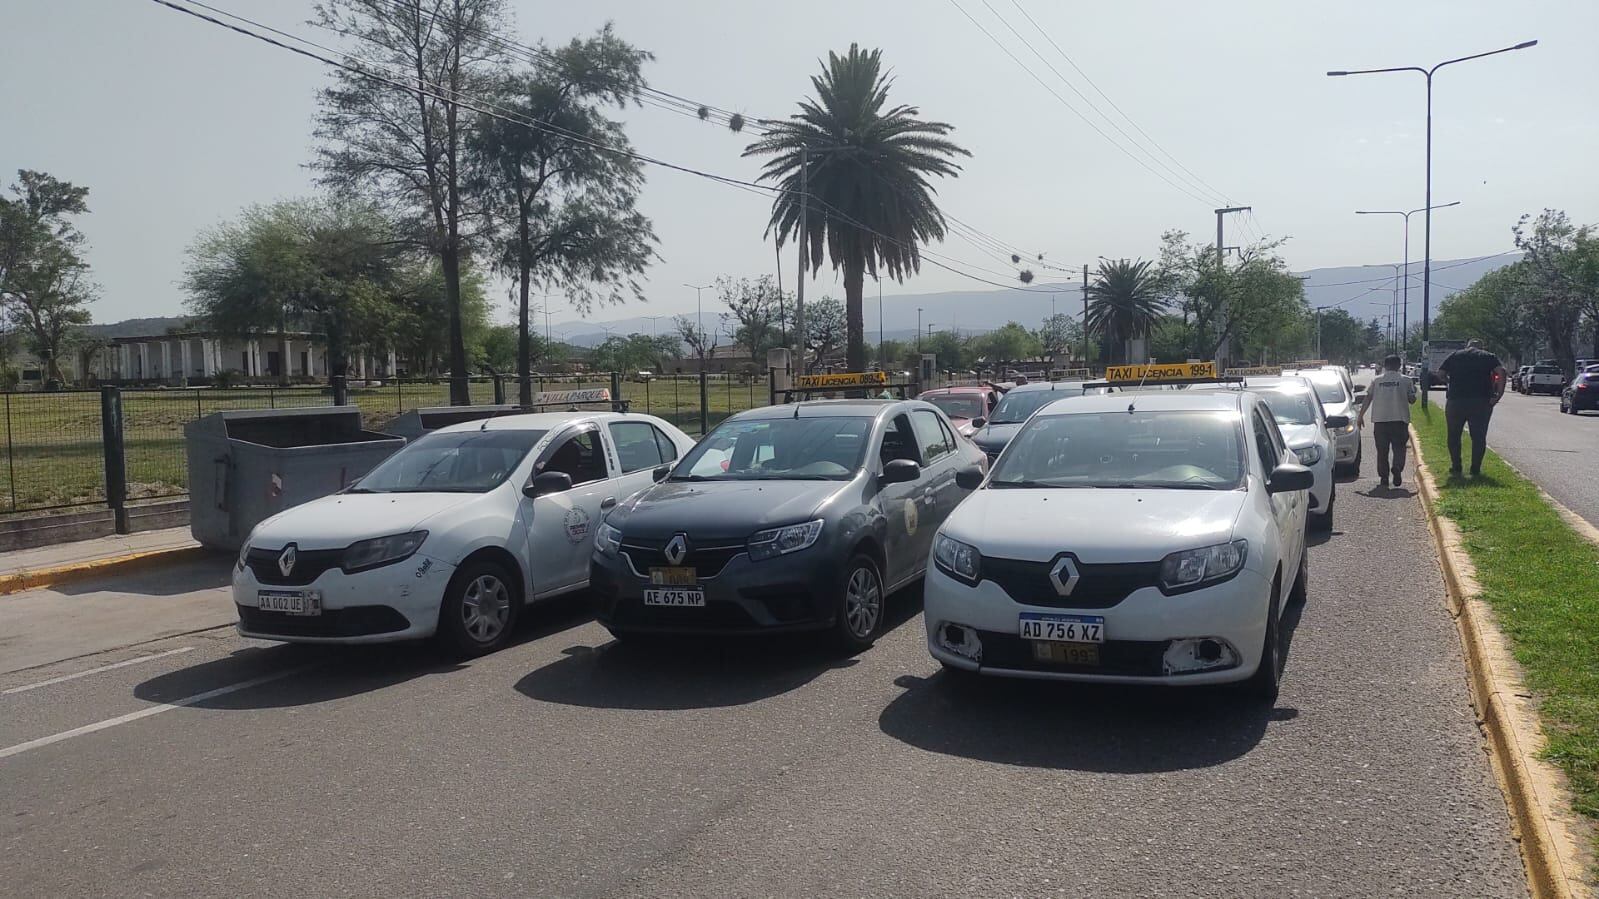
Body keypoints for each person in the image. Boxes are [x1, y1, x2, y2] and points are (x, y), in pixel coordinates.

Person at [1437, 339, 1508, 477]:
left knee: (1453, 435)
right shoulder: (1489, 357)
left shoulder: (1455, 355)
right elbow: (1502, 372)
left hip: (1456, 400)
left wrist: (1450, 382)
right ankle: (1475, 468)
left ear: (1467, 346)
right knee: (1478, 437)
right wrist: (1498, 395)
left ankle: (1456, 466)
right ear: (1482, 347)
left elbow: (1440, 374)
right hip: (1481, 401)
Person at [1357, 354, 1416, 489]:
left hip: (1380, 421)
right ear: (1399, 366)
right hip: (1400, 420)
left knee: (1382, 451)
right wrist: (1414, 393)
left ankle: (1384, 477)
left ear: (1385, 366)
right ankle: (1397, 467)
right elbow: (1412, 400)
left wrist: (1360, 416)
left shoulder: (1377, 381)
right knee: (1399, 448)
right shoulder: (1406, 380)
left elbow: (1368, 398)